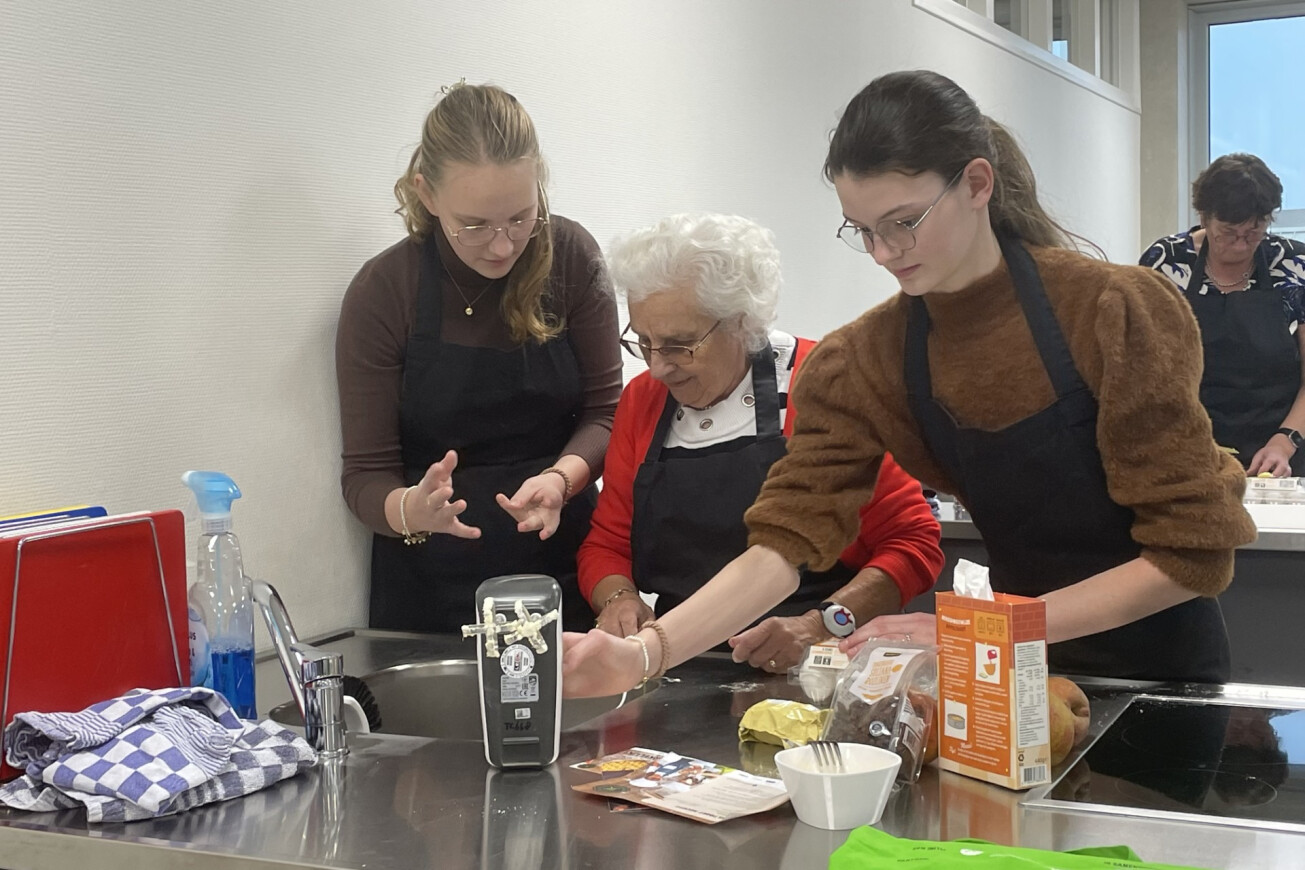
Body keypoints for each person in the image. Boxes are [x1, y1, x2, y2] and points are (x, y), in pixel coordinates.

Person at [562, 70, 1256, 699]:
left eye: (903, 223)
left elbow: (1192, 554)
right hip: (1013, 673)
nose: (884, 253)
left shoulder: (1112, 311)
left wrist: (991, 628)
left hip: (1161, 675)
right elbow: (783, 544)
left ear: (977, 184)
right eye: (862, 230)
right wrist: (644, 655)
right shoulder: (865, 359)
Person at [577, 214, 943, 673]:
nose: (657, 367)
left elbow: (912, 543)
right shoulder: (643, 401)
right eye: (644, 341)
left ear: (741, 322)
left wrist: (821, 624)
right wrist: (618, 598)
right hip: (682, 662)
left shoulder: (827, 384)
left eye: (679, 345)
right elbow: (607, 543)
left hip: (824, 667)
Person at [336, 82, 621, 633]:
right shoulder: (385, 290)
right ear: (426, 194)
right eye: (474, 225)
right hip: (428, 586)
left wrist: (560, 480)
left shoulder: (570, 258)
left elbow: (608, 413)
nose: (502, 245)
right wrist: (410, 510)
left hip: (562, 566)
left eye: (520, 217)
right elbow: (365, 474)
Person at [1141, 153, 1305, 477]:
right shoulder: (1166, 263)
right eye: (1228, 233)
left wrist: (1285, 442)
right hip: (1186, 447)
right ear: (1204, 217)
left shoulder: (1293, 265)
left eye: (1254, 232)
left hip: (1282, 452)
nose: (1241, 245)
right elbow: (1145, 371)